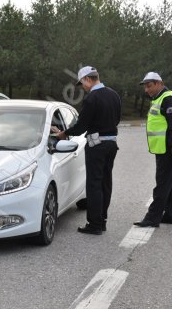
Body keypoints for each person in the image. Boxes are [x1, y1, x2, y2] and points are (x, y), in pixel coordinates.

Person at [55, 66, 121, 235]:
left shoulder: (92, 98)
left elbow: (81, 126)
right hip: (111, 144)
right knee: (106, 183)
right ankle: (102, 220)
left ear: (87, 79)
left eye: (82, 83)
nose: (82, 87)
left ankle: (94, 224)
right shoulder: (114, 94)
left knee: (94, 185)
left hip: (96, 146)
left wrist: (64, 133)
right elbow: (117, 119)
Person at [133, 72, 172, 228]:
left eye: (149, 86)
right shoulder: (159, 98)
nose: (146, 90)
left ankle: (152, 218)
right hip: (163, 148)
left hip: (170, 149)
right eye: (145, 86)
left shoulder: (168, 98)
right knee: (170, 181)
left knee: (162, 183)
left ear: (159, 83)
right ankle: (171, 215)